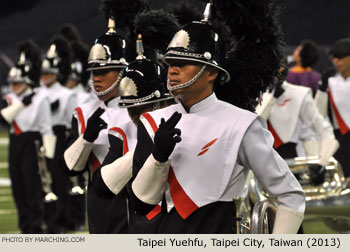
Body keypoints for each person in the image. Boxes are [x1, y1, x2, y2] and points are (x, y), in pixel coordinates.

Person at [128, 0, 305, 234]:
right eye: (170, 63)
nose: (172, 70)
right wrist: (158, 157)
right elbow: (141, 203)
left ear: (211, 72)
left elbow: (290, 194)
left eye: (183, 63)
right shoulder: (152, 123)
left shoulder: (241, 124)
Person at [90, 9, 180, 234]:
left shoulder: (186, 122)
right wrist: (147, 150)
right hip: (144, 225)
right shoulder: (124, 132)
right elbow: (102, 186)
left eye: (142, 108)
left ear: (165, 103)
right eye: (131, 109)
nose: (135, 115)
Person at [63, 0, 148, 233]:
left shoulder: (144, 107)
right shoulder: (83, 111)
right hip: (99, 199)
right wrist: (86, 137)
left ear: (123, 70)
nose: (96, 78)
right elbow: (71, 167)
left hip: (136, 195)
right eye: (93, 72)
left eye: (102, 71)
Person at [0, 40, 56, 233]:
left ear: (27, 81)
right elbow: (4, 119)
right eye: (12, 83)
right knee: (18, 186)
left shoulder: (40, 99)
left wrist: (49, 156)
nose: (14, 87)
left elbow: (46, 128)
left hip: (32, 142)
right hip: (15, 141)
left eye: (18, 83)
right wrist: (22, 103)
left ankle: (35, 224)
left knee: (33, 186)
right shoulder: (9, 100)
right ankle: (25, 224)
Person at [256, 63, 339, 185]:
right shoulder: (254, 94)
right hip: (261, 156)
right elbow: (255, 125)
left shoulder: (300, 94)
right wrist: (272, 99)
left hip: (291, 156)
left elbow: (323, 128)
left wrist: (321, 162)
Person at [39, 35, 77, 233]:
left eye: (48, 73)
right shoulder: (38, 93)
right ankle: (48, 218)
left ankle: (62, 220)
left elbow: (72, 121)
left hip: (59, 136)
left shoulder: (66, 94)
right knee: (43, 181)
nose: (45, 76)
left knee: (59, 180)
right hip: (41, 136)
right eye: (43, 73)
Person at [315, 38, 350, 178]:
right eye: (334, 57)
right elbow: (318, 112)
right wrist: (322, 89)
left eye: (341, 57)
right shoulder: (330, 82)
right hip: (339, 137)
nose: (336, 61)